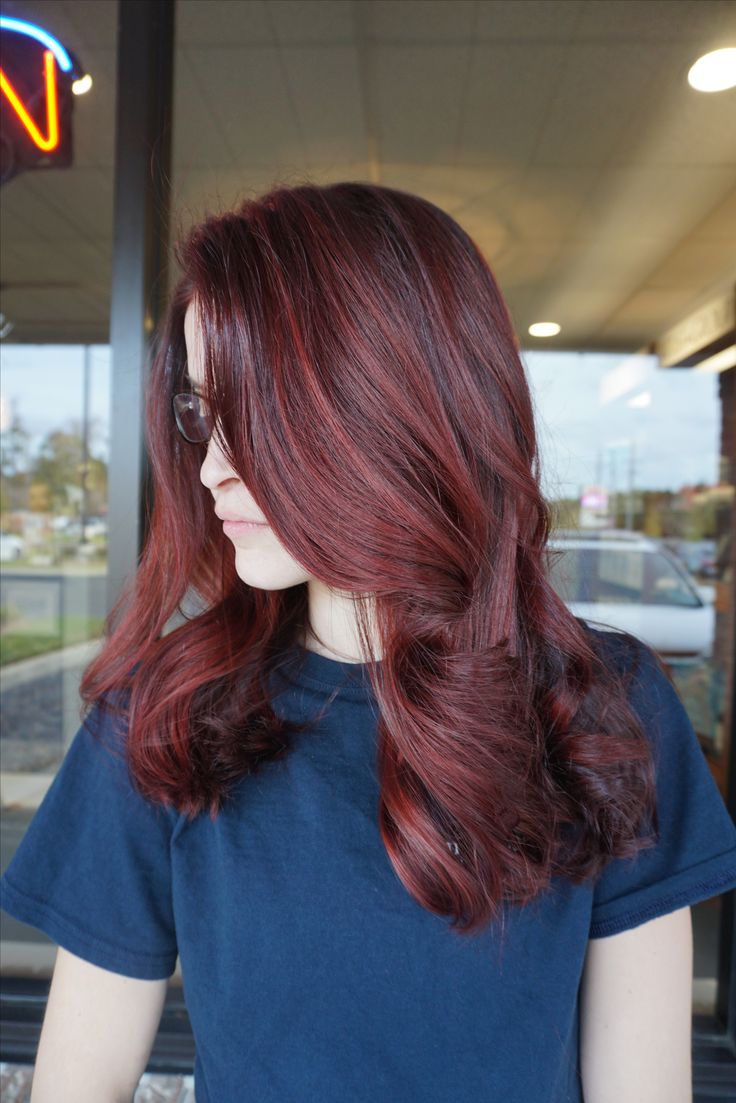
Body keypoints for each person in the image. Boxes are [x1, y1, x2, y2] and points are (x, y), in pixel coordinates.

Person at [2, 181, 735, 1103]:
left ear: (392, 407)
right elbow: (81, 1083)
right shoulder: (162, 719)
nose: (212, 464)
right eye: (202, 411)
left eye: (254, 412)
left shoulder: (603, 706)